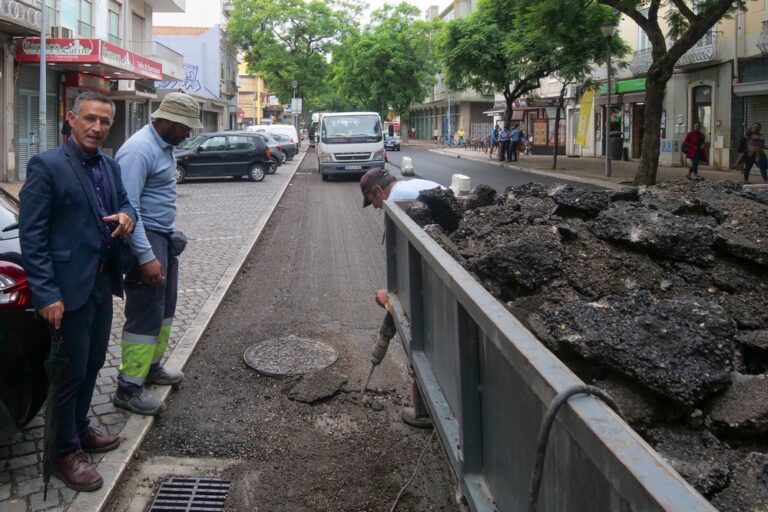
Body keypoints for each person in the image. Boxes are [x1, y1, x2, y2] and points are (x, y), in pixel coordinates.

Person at [19, 91, 137, 492]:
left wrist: (127, 217)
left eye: (104, 121)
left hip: (102, 283)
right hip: (66, 293)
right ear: (71, 119)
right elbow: (32, 236)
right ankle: (62, 453)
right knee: (68, 374)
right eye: (90, 119)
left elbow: (126, 205)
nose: (97, 128)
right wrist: (47, 293)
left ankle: (80, 428)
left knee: (92, 364)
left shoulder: (108, 164)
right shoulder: (47, 166)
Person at [113, 93, 202, 416]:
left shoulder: (164, 146)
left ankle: (151, 367)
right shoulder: (139, 151)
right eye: (184, 128)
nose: (188, 133)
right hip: (144, 239)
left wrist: (167, 234)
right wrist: (146, 255)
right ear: (166, 121)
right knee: (145, 313)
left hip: (160, 236)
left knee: (164, 308)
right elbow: (129, 207)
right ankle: (128, 387)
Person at [361, 167, 443, 427]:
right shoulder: (407, 189)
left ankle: (425, 412)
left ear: (378, 191)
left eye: (373, 201)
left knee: (421, 341)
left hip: (442, 275)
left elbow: (413, 262)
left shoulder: (399, 202)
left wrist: (394, 296)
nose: (375, 207)